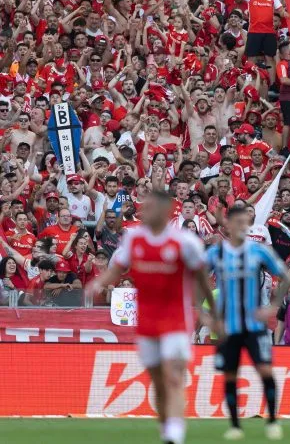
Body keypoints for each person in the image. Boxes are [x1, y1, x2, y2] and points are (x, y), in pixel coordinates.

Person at [85, 190, 218, 444]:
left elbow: (201, 278)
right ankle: (166, 427)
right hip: (147, 322)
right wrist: (98, 283)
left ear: (167, 210)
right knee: (158, 380)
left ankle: (175, 434)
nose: (146, 211)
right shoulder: (134, 239)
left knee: (173, 375)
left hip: (176, 320)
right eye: (145, 206)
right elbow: (117, 267)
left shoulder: (184, 243)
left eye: (153, 206)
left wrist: (209, 310)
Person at [206, 206, 290, 441]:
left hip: (255, 327)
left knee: (265, 370)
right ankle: (234, 426)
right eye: (240, 222)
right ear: (228, 225)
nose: (244, 227)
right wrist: (204, 311)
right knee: (230, 376)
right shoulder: (216, 253)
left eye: (247, 223)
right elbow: (196, 277)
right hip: (228, 327)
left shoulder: (258, 251)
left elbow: (286, 277)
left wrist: (272, 307)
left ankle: (273, 420)